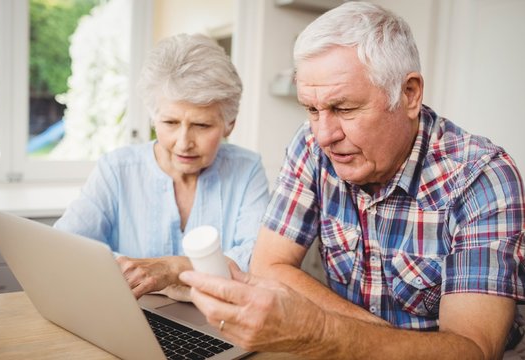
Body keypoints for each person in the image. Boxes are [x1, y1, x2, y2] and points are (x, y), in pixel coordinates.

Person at [179, 2, 525, 358]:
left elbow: (472, 351)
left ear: (409, 94)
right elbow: (269, 265)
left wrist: (322, 331)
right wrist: (365, 340)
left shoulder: (482, 177)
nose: (325, 134)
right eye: (312, 110)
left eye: (344, 108)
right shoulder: (311, 144)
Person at [54, 33, 269, 300]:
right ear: (154, 118)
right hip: (132, 314)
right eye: (170, 123)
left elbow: (258, 261)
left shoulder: (247, 170)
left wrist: (172, 269)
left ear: (229, 124)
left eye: (201, 125)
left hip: (219, 321)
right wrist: (201, 273)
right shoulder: (117, 169)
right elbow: (64, 247)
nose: (183, 143)